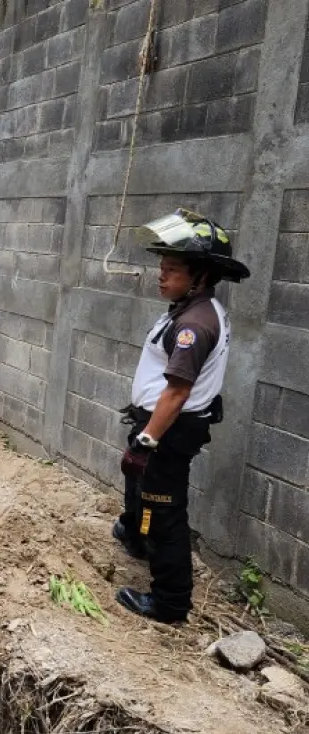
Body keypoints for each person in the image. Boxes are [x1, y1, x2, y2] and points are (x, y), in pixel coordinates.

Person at [113, 209, 248, 624]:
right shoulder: (187, 308)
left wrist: (147, 440)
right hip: (160, 424)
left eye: (171, 269)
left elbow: (176, 392)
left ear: (201, 276)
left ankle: (170, 602)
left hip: (169, 429)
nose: (161, 275)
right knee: (140, 483)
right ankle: (135, 534)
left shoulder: (194, 323)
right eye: (161, 267)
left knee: (165, 508)